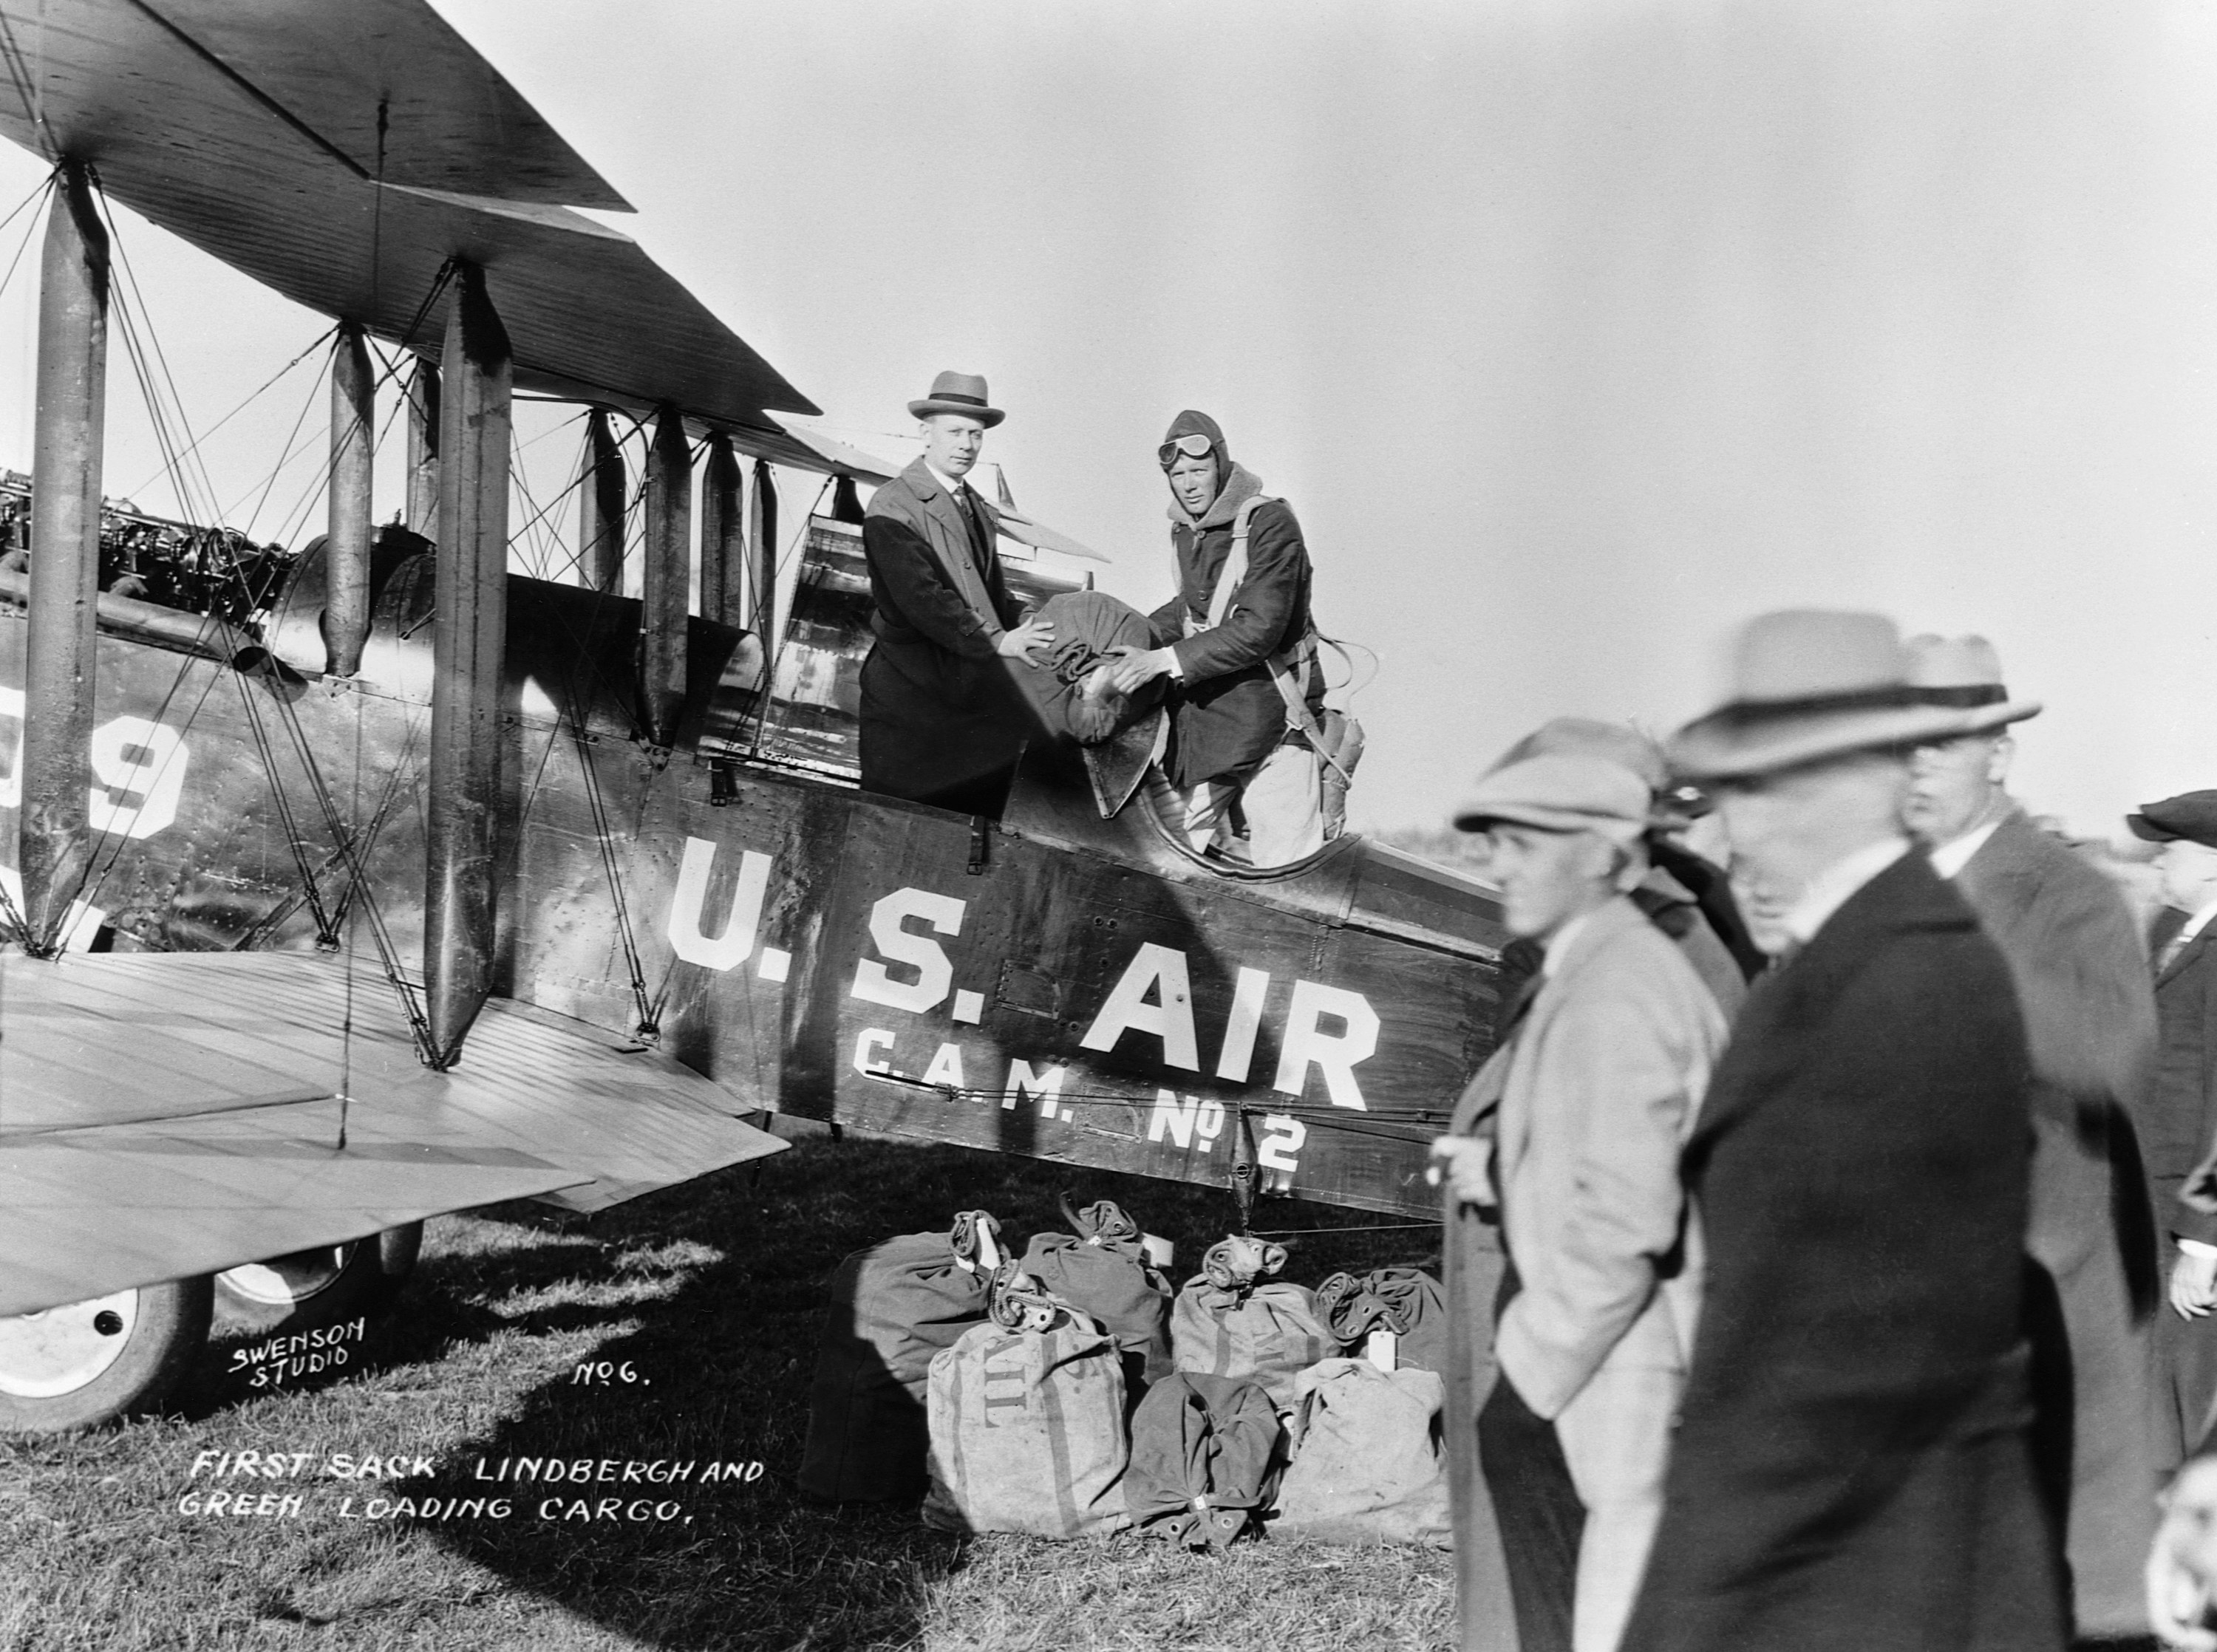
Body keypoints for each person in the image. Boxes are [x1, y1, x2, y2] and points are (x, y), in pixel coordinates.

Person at [1621, 610, 2066, 1652]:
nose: (1738, 829)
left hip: (1858, 1587)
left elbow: (1819, 1390)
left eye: (1761, 788)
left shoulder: (1894, 987)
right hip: (1886, 1572)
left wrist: (1680, 1619)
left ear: (1853, 785)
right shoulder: (1887, 956)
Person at [1433, 751, 1728, 1652]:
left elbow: (1632, 1212)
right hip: (1608, 1344)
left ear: (1602, 855)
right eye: (1493, 844)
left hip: (1611, 1352)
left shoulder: (1620, 980)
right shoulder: (1603, 963)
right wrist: (1510, 1173)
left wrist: (1539, 1356)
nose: (1499, 867)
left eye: (1524, 844)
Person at [1895, 633, 2159, 1640]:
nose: (1911, 770)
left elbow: (2109, 1049)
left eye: (1940, 747)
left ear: (2000, 754)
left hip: (2033, 1311)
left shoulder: (2067, 895)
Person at [1106, 411, 1330, 866]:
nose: (1188, 484)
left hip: (1277, 718)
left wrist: (1161, 660)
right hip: (1215, 721)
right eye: (1178, 474)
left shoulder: (1269, 522)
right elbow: (1191, 609)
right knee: (1161, 855)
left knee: (1289, 875)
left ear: (1221, 467)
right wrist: (1120, 641)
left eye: (1199, 471)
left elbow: (1257, 628)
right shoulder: (1187, 531)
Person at [857, 371, 1052, 818]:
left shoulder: (976, 508)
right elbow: (922, 598)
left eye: (976, 435)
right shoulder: (893, 504)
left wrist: (1023, 620)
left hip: (960, 704)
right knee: (894, 828)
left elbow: (987, 592)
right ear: (925, 433)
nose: (966, 444)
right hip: (909, 704)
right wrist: (998, 641)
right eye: (955, 432)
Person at [2124, 791, 2217, 1467]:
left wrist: (2205, 1241)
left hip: (2190, 1207)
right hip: (2147, 1191)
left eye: (2171, 851)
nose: (2157, 865)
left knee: (2193, 1382)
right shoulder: (2172, 931)